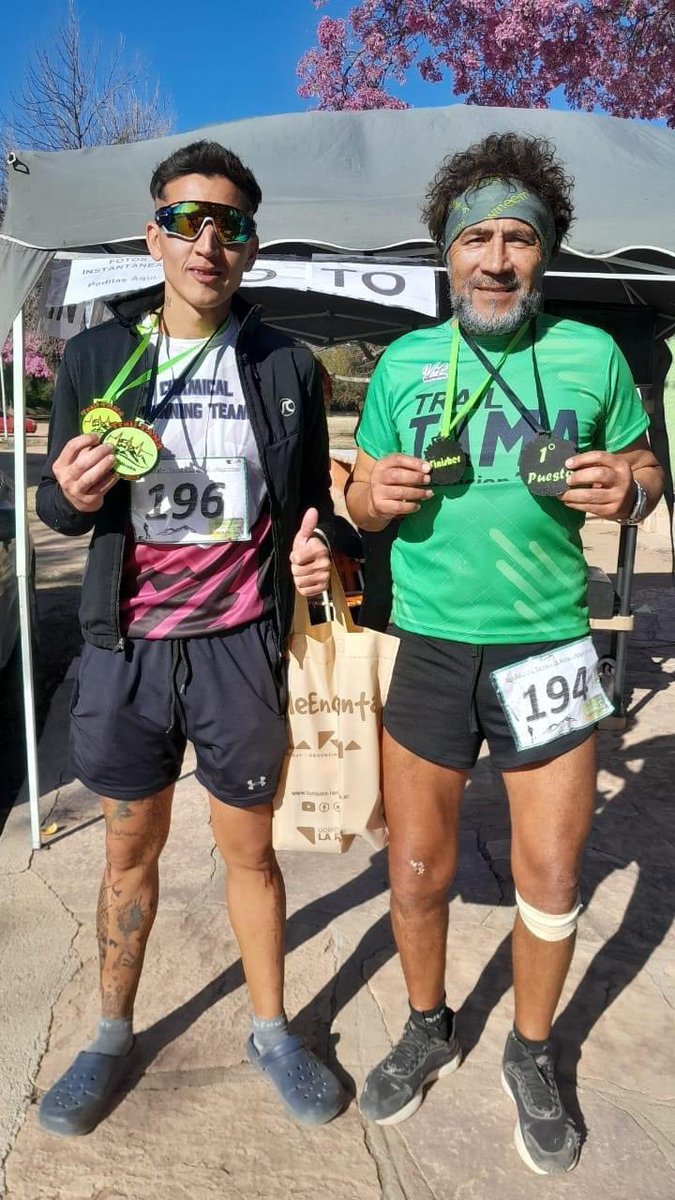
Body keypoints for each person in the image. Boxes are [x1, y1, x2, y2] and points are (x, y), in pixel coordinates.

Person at [345, 131, 664, 1175]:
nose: (494, 260)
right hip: (431, 647)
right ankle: (427, 1025)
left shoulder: (592, 354)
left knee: (553, 871)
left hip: (548, 645)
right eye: (474, 239)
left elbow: (644, 467)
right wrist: (371, 495)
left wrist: (630, 490)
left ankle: (530, 1050)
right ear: (446, 254)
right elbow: (357, 497)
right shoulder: (403, 363)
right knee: (416, 868)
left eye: (517, 239)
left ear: (544, 253)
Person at [36, 140, 343, 1135]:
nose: (208, 240)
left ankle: (272, 1031)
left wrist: (321, 549)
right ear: (153, 236)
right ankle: (108, 1036)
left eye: (230, 224)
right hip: (127, 649)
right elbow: (61, 503)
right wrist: (68, 496)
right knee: (129, 850)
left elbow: (314, 509)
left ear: (250, 244)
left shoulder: (286, 364)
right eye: (185, 220)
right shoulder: (96, 357)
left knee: (250, 853)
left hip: (237, 649)